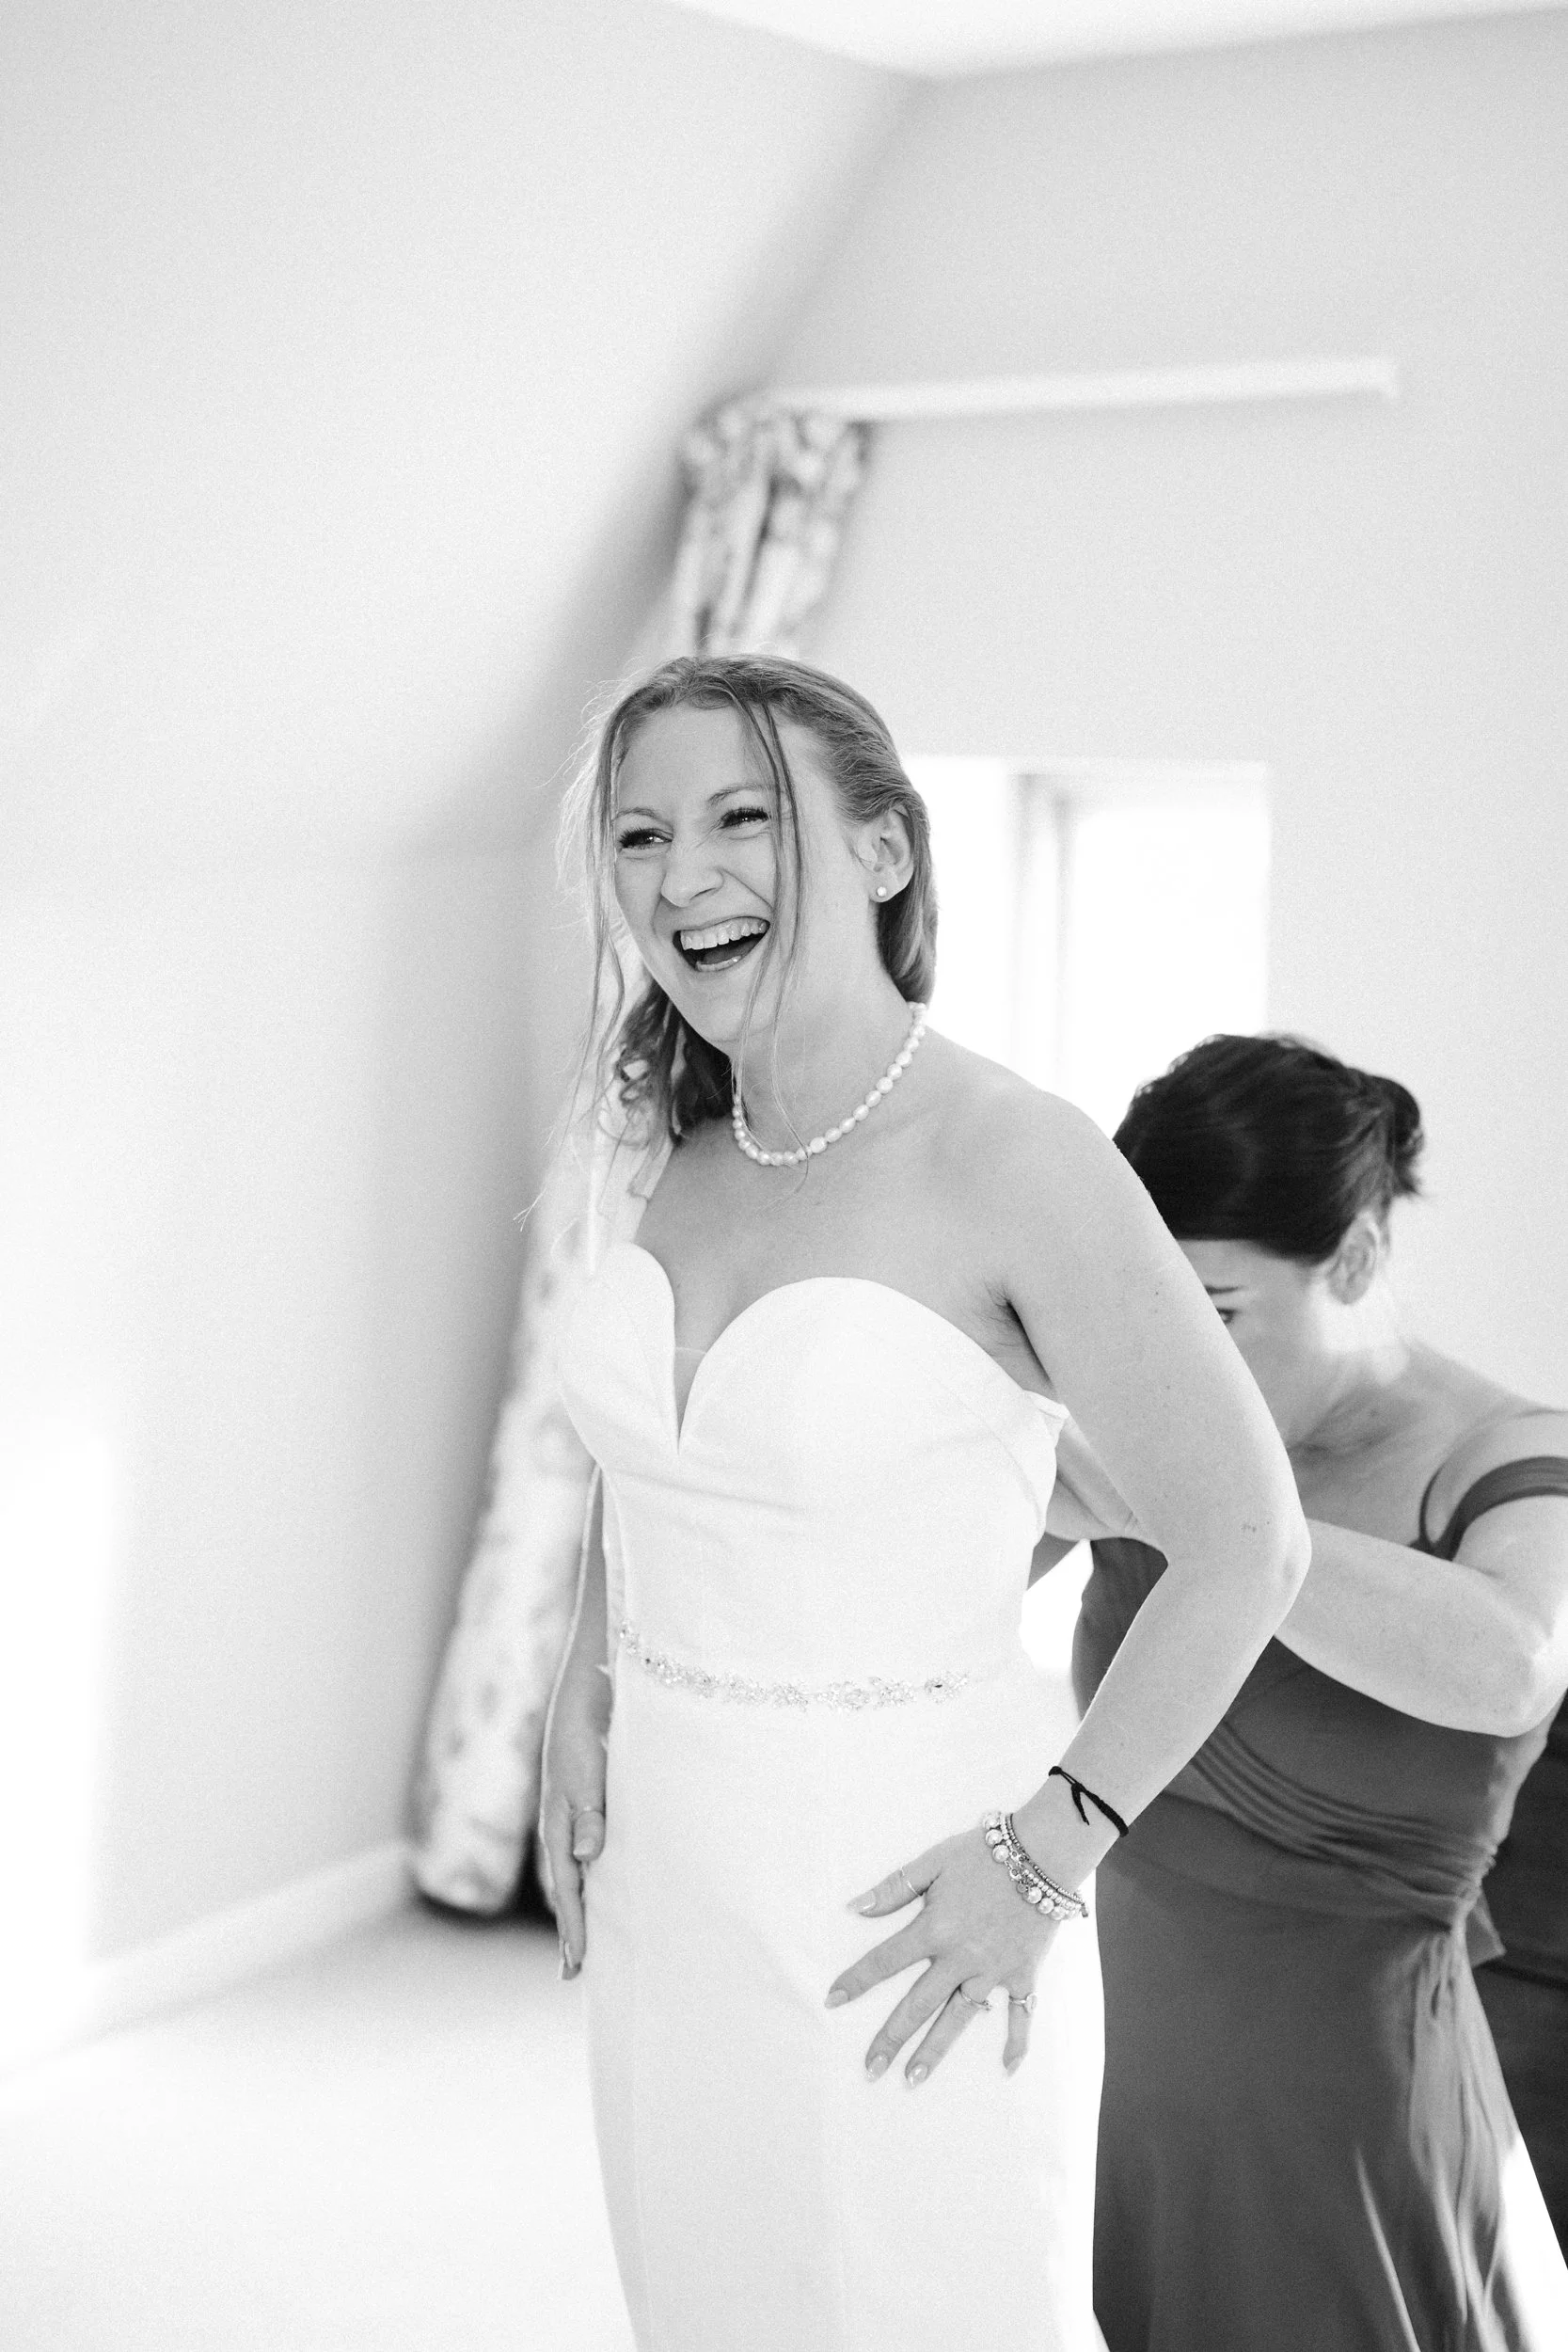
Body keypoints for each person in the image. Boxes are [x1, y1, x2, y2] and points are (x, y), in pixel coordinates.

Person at [538, 656, 1308, 2352]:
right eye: (639, 836)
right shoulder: (667, 1140)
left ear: (883, 850)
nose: (681, 879)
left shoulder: (1016, 1158)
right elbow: (655, 1449)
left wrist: (1050, 1852)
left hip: (915, 1891)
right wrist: (579, 1692)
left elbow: (1248, 1542)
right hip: (671, 1861)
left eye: (743, 819)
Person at [1071, 1033, 1568, 2351]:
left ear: (1353, 1259)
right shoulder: (1160, 1423)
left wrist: (1201, 1516)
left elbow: (1513, 1662)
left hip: (1351, 2116)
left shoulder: (1503, 1452)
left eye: (1219, 1312)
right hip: (1130, 2092)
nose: (1183, 1359)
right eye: (1156, 1312)